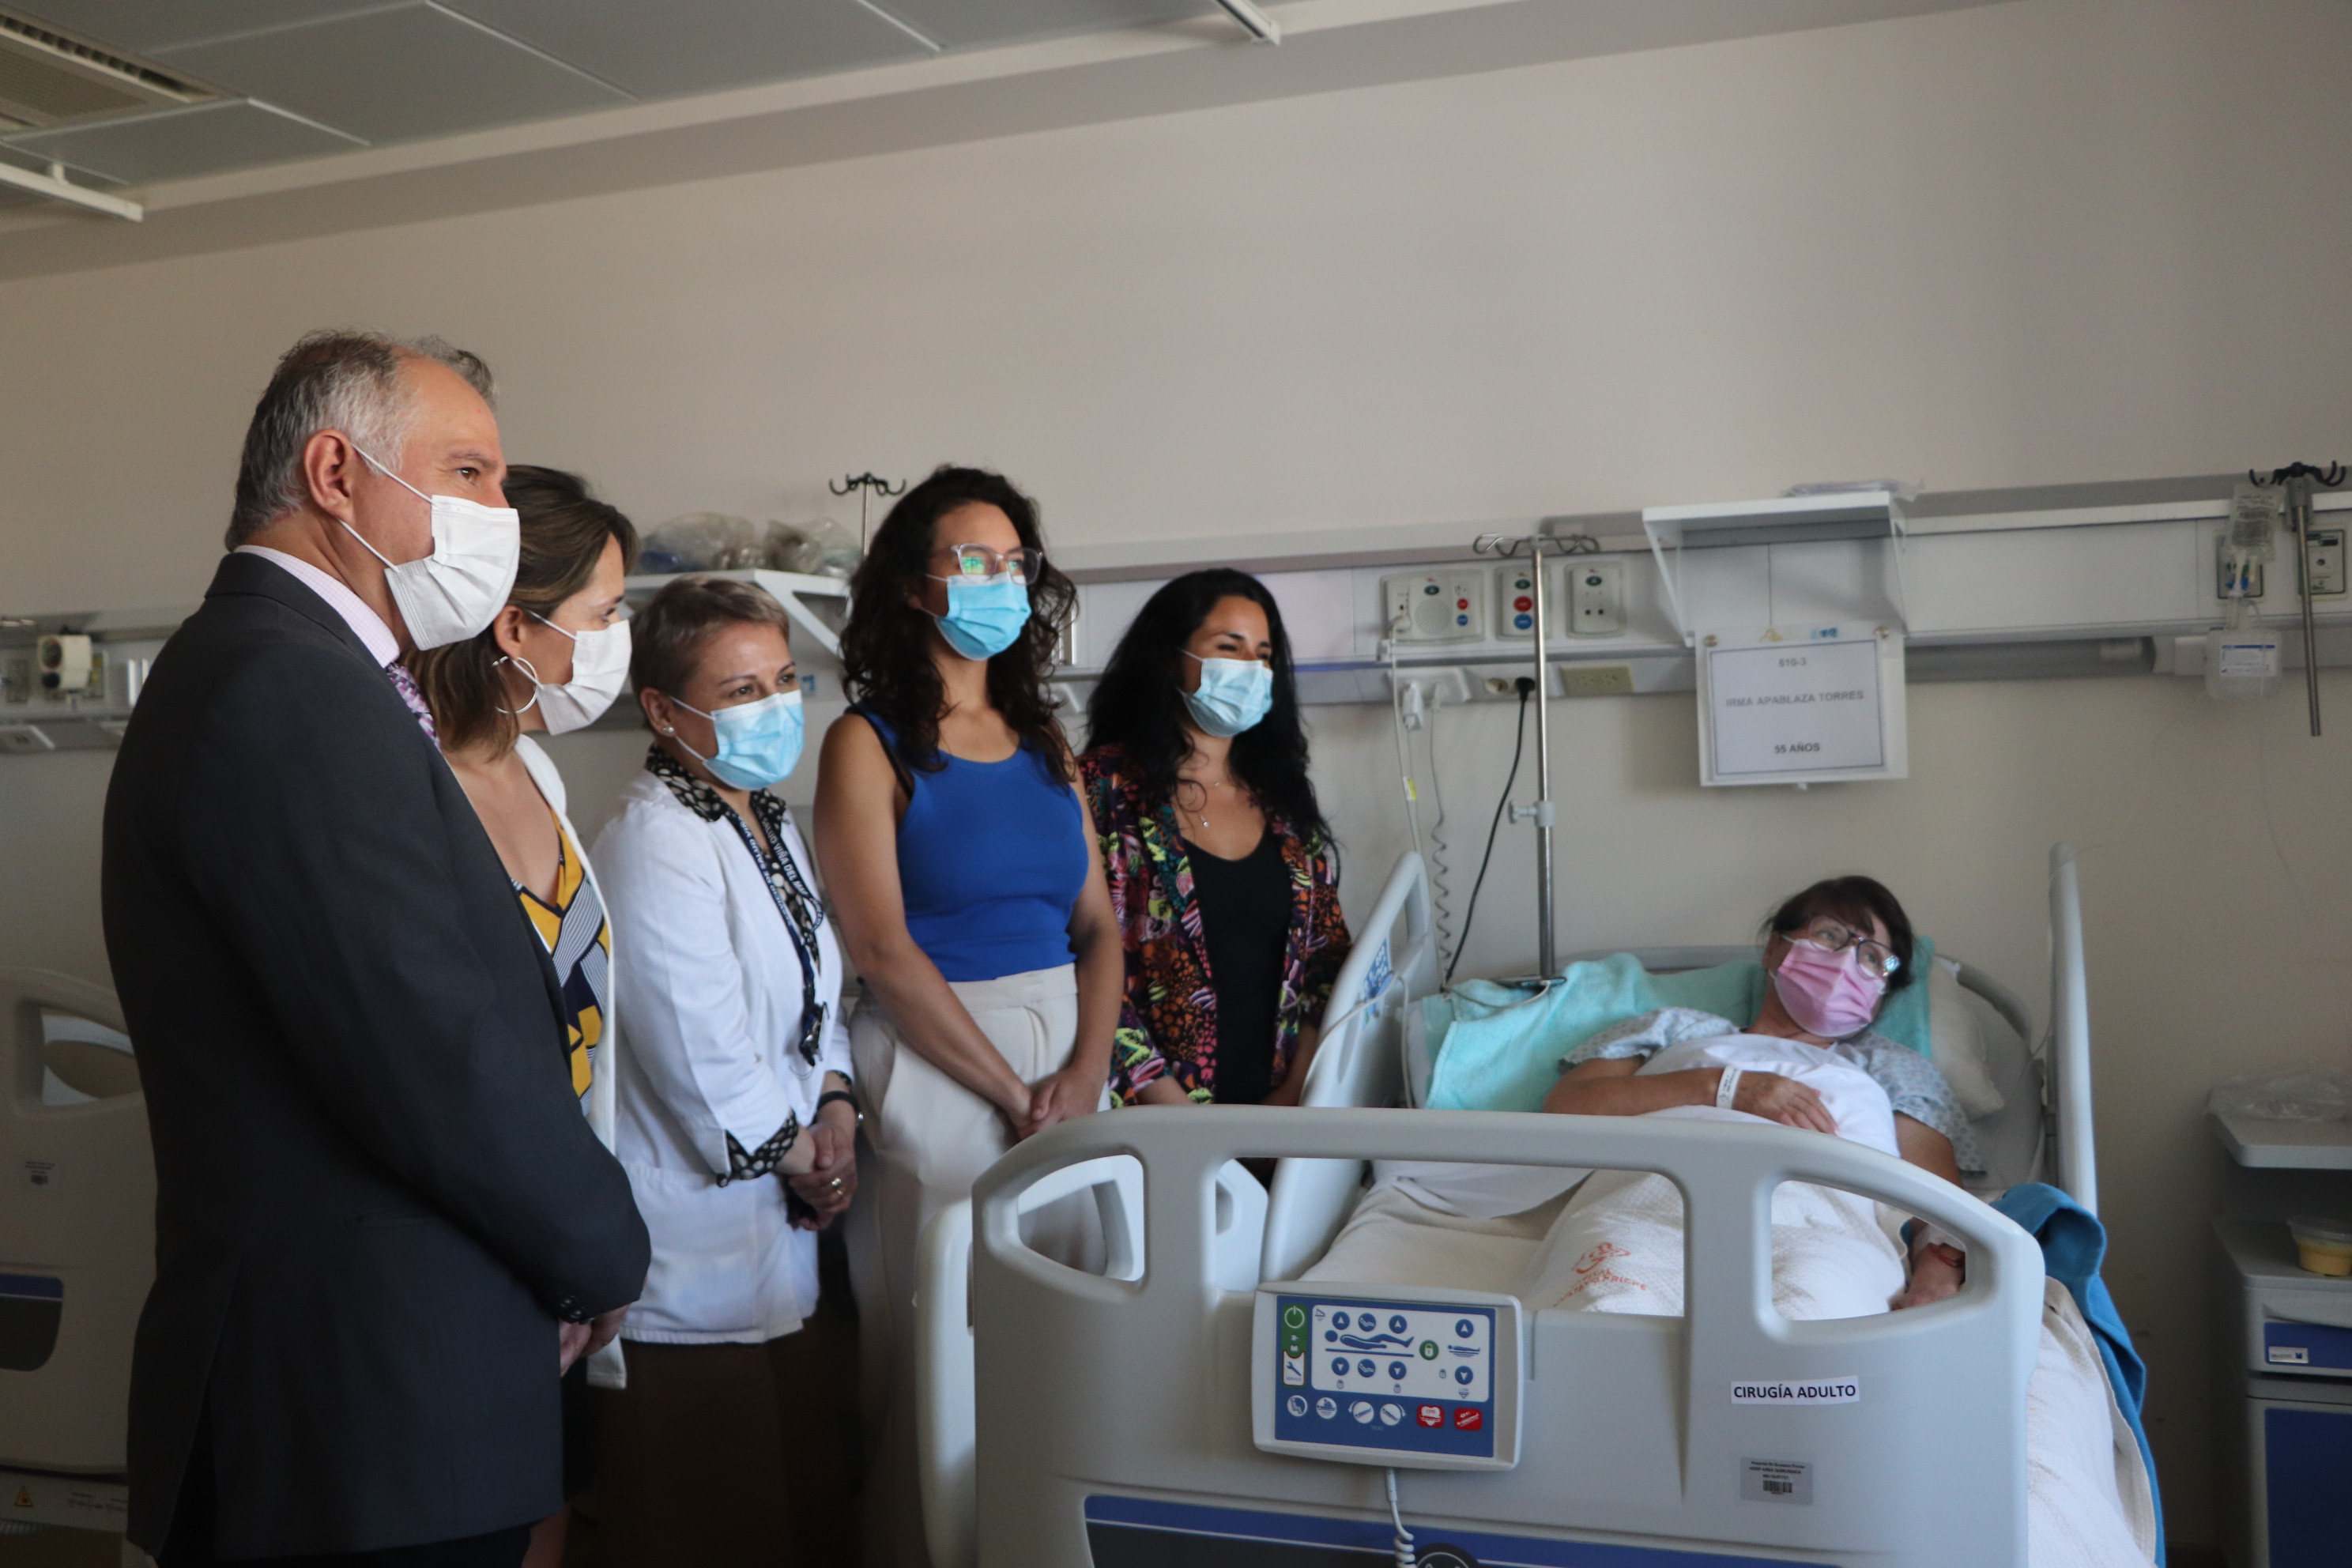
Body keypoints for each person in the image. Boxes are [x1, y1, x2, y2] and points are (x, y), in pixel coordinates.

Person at [100, 331, 648, 1567]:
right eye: (469, 474)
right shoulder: (285, 685)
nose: (500, 514)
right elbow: (426, 1048)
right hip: (361, 1395)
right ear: (337, 475)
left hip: (391, 1385)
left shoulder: (314, 675)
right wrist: (602, 1247)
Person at [812, 465, 1123, 1568]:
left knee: (1065, 1348)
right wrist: (1012, 1093)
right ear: (913, 583)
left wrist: (1085, 1074)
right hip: (940, 1062)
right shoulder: (868, 743)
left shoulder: (1046, 743)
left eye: (1014, 561)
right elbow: (881, 950)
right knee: (936, 1362)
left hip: (1067, 1069)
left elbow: (1100, 925)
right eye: (973, 559)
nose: (1000, 578)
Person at [587, 576, 859, 1566]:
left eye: (783, 680)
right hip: (687, 1265)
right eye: (741, 691)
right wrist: (812, 1162)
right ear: (663, 710)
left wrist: (838, 1106)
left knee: (798, 1515)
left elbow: (818, 1004)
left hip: (781, 1242)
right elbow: (698, 1054)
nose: (774, 706)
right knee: (707, 1525)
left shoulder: (770, 823)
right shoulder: (654, 840)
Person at [403, 465, 640, 1568]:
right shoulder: (412, 788)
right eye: (604, 614)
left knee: (550, 1502)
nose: (618, 640)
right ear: (514, 628)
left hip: (565, 1225)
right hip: (476, 1237)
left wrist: (587, 1243)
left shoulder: (537, 769)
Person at [1544, 875, 1985, 1309]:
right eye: (1829, 935)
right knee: (1607, 1301)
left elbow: (1938, 1203)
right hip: (1649, 1204)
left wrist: (1935, 1285)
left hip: (1824, 1229)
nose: (1846, 962)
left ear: (1881, 994)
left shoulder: (1898, 1068)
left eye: (1873, 958)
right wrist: (1723, 1086)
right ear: (1776, 948)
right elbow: (1566, 1110)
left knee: (1812, 1310)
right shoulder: (1676, 1028)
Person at [1079, 570, 1351, 1109]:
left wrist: (1295, 1092)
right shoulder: (1100, 789)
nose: (1250, 668)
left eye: (1263, 655)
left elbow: (1327, 959)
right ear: (1169, 658)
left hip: (1283, 1115)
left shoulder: (1281, 799)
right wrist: (1175, 1113)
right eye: (1229, 648)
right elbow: (1080, 956)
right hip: (1148, 1119)